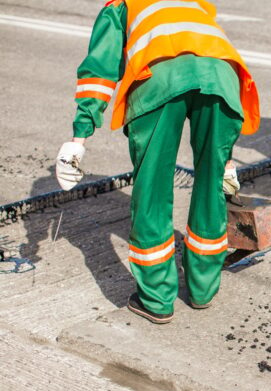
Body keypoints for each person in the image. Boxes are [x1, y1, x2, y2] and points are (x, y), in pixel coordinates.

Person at [55, 0, 260, 324]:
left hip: (158, 80)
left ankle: (156, 299)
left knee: (152, 190)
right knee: (212, 187)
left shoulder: (121, 4)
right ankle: (203, 289)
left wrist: (79, 136)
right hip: (223, 80)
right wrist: (226, 156)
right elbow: (208, 54)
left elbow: (101, 69)